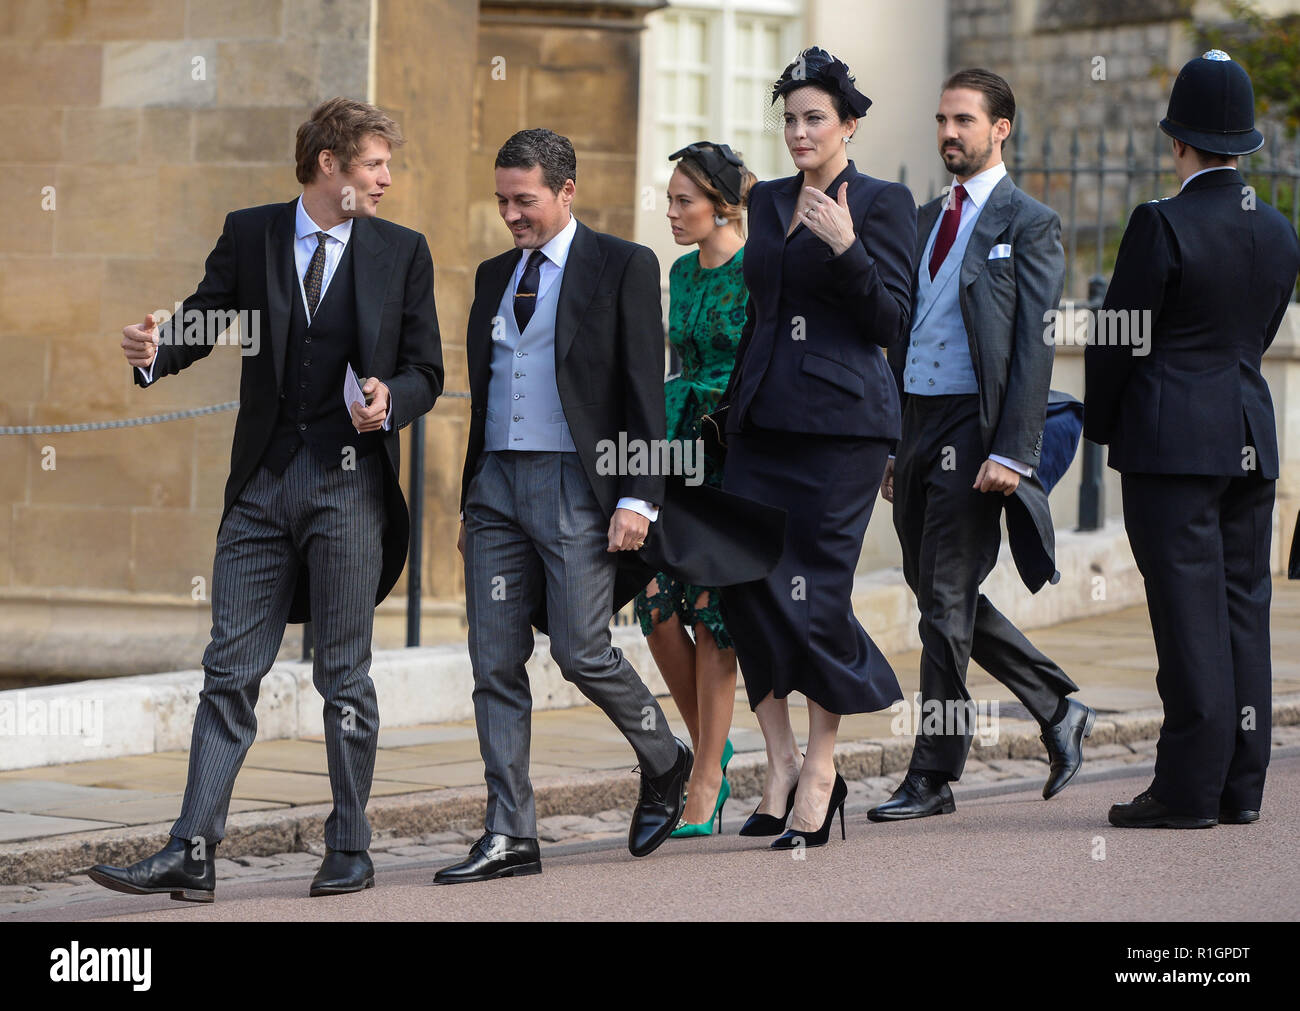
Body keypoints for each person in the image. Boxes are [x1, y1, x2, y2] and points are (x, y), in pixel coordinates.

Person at [89, 97, 444, 900]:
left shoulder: (401, 252)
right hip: (260, 487)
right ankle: (193, 847)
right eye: (375, 164)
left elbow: (428, 369)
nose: (386, 179)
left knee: (343, 674)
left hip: (349, 487)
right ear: (329, 164)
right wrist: (153, 351)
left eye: (387, 166)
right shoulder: (252, 233)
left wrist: (392, 398)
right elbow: (205, 318)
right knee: (229, 669)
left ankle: (349, 844)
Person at [434, 129, 691, 885]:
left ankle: (665, 755)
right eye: (502, 200)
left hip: (576, 484)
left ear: (566, 192)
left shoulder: (623, 264)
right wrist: (470, 498)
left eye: (525, 200)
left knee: (581, 651)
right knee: (493, 661)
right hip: (496, 489)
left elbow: (645, 391)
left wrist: (640, 496)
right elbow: (488, 391)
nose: (511, 214)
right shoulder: (492, 275)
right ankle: (510, 831)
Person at [870, 69, 1093, 823]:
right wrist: (893, 442)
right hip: (918, 420)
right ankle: (1056, 704)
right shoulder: (924, 217)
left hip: (977, 426)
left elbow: (1034, 345)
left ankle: (933, 772)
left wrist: (1013, 450)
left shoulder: (1029, 222)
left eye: (964, 120)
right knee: (936, 588)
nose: (948, 133)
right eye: (942, 119)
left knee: (943, 599)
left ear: (1001, 128)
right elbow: (901, 329)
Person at [1086, 51, 1300, 829]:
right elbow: (1259, 331)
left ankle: (1185, 789)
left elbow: (1119, 337)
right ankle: (1241, 784)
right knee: (1244, 608)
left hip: (1171, 440)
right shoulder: (1278, 229)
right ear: (1245, 144)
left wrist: (1103, 424)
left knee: (1187, 617)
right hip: (1248, 430)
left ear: (1178, 140)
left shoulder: (1161, 221)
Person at [717, 48, 914, 849]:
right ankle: (780, 760)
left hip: (842, 432)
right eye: (790, 120)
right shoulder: (765, 200)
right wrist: (728, 410)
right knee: (742, 584)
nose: (800, 132)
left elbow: (890, 322)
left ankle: (823, 770)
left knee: (816, 597)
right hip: (759, 423)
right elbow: (761, 312)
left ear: (849, 125)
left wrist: (848, 247)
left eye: (815, 119)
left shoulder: (884, 201)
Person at [633, 142, 756, 837]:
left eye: (685, 202)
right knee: (653, 603)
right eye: (671, 200)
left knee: (712, 613)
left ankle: (706, 776)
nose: (672, 213)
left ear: (723, 207)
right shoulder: (679, 272)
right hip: (674, 446)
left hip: (729, 451)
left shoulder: (755, 270)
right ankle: (714, 744)